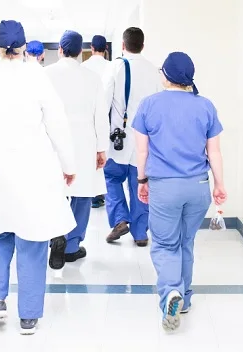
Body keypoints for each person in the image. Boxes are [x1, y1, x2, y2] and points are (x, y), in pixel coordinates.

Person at [0, 20, 77, 335]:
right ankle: (28, 317)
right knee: (32, 242)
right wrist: (69, 164)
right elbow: (58, 125)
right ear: (23, 47)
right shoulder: (37, 77)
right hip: (32, 176)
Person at [132, 52, 227, 332]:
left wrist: (141, 180)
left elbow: (141, 150)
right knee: (186, 242)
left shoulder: (149, 105)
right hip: (197, 188)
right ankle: (184, 298)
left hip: (165, 187)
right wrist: (220, 185)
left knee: (164, 244)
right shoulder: (206, 106)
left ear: (166, 75)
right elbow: (215, 152)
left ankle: (171, 292)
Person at [44, 30, 109, 269]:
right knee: (82, 194)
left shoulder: (45, 75)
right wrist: (102, 149)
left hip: (52, 143)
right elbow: (101, 117)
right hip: (84, 144)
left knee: (53, 191)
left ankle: (54, 234)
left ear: (60, 50)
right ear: (81, 52)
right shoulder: (92, 78)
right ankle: (71, 246)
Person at [103, 27, 163, 247]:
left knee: (111, 178)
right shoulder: (154, 71)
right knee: (141, 183)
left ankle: (120, 219)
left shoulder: (116, 67)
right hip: (145, 142)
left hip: (119, 140)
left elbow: (103, 102)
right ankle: (140, 233)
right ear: (143, 46)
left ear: (122, 44)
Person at [81, 34, 112, 209]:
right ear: (105, 49)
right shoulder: (111, 66)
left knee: (90, 155)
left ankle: (94, 196)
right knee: (105, 154)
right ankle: (103, 193)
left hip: (88, 116)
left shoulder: (83, 67)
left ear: (91, 48)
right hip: (106, 115)